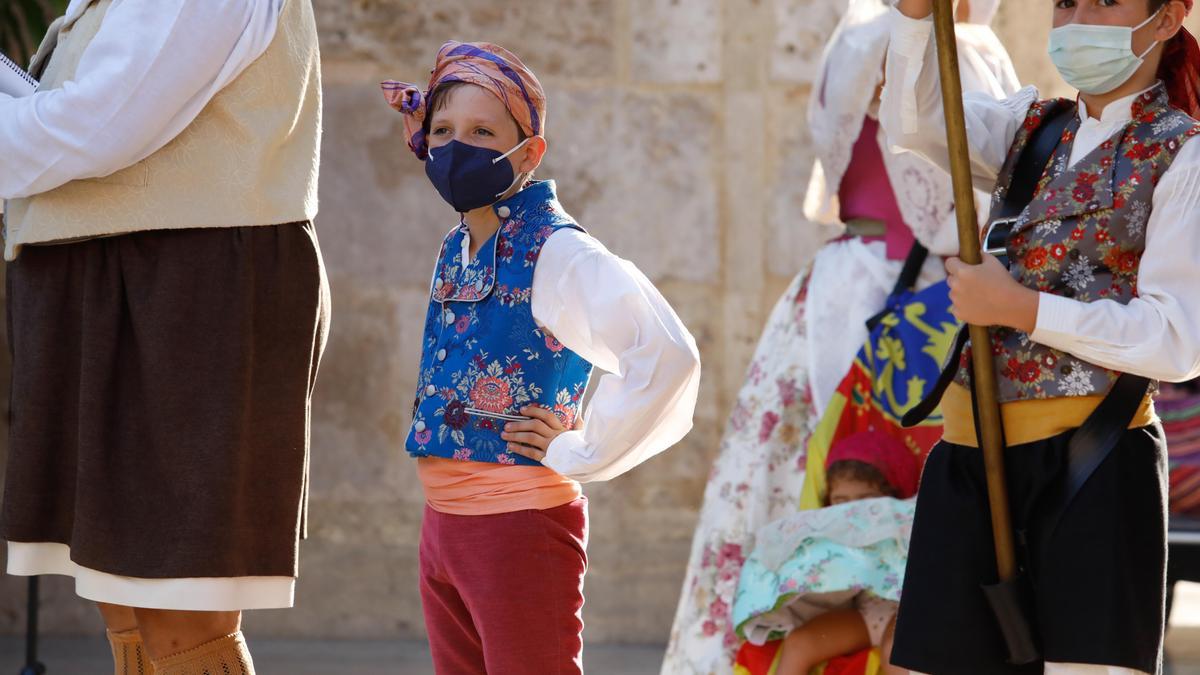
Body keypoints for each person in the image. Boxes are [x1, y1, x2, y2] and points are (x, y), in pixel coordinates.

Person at [661, 1, 1018, 671]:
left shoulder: (855, 38)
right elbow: (953, 206)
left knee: (792, 478)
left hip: (835, 290)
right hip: (916, 311)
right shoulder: (946, 49)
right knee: (888, 487)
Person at [0, 1, 328, 673]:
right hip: (123, 282)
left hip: (181, 294)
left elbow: (98, 125)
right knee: (123, 593)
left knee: (178, 606)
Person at [880, 0, 1200, 672]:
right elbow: (917, 120)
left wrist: (1022, 308)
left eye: (1104, 1)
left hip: (1092, 463)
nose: (1077, 17)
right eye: (1064, 2)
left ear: (1170, 17)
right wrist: (914, 18)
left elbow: (1176, 340)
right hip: (970, 458)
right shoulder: (1033, 130)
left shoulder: (1185, 154)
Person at [381, 41, 702, 675]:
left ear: (528, 153)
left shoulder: (560, 250)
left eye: (481, 131)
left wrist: (578, 451)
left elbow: (669, 355)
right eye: (443, 131)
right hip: (443, 525)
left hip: (518, 525)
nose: (455, 146)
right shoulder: (458, 244)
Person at [731, 431, 920, 675]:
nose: (852, 510)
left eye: (867, 500)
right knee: (799, 645)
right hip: (865, 615)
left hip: (904, 610)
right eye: (841, 501)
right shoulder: (827, 529)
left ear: (896, 496)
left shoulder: (910, 520)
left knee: (895, 651)